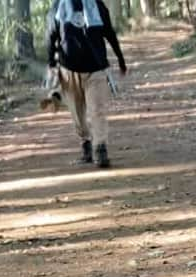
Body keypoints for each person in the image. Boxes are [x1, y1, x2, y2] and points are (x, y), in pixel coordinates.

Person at [46, 0, 127, 168]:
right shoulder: (58, 6)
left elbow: (109, 33)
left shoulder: (97, 5)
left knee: (97, 110)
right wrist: (51, 64)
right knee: (77, 114)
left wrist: (120, 59)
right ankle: (86, 144)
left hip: (96, 69)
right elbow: (51, 36)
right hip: (69, 71)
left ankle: (100, 148)